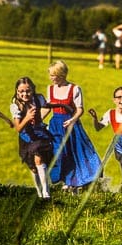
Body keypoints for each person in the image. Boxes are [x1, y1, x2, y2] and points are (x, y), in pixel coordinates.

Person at [45, 60, 103, 189]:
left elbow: (80, 109)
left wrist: (72, 120)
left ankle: (76, 181)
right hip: (56, 124)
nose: (51, 78)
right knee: (58, 153)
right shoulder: (50, 89)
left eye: (53, 75)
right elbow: (47, 107)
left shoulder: (74, 89)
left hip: (71, 124)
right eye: (50, 75)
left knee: (75, 151)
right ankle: (65, 179)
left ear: (62, 74)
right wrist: (36, 120)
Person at [9, 76, 57, 199]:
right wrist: (28, 117)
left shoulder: (38, 98)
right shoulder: (16, 105)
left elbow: (47, 106)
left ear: (33, 90)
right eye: (21, 91)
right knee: (33, 168)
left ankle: (46, 193)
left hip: (39, 135)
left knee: (39, 160)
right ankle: (39, 191)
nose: (25, 94)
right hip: (26, 137)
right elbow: (18, 128)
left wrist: (40, 118)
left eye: (28, 91)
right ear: (17, 91)